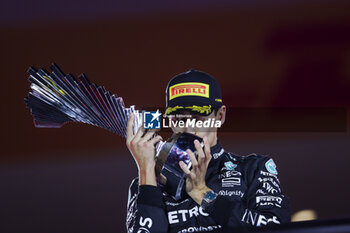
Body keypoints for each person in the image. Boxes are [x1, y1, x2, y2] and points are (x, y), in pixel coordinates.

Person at [125, 70, 290, 233]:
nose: (189, 129)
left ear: (220, 116)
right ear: (172, 122)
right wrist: (146, 170)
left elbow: (276, 228)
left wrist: (202, 193)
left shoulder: (252, 169)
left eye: (199, 119)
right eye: (180, 119)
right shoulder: (147, 184)